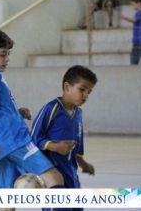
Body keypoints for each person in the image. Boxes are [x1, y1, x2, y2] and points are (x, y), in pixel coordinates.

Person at [0, 28, 64, 210]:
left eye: (8, 54)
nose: (7, 59)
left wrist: (17, 112)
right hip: (9, 139)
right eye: (2, 55)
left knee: (8, 199)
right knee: (53, 177)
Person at [31, 65, 97, 211]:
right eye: (82, 89)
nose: (86, 95)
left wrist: (83, 163)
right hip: (53, 176)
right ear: (67, 87)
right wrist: (54, 147)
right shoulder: (51, 108)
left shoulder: (78, 113)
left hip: (72, 175)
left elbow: (77, 145)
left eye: (89, 91)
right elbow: (34, 138)